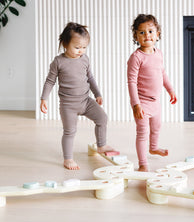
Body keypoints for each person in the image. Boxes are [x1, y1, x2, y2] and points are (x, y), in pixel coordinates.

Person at [40, 22, 114, 170]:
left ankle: (101, 145)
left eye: (84, 47)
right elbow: (50, 81)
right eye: (77, 47)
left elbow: (90, 78)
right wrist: (44, 98)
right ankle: (68, 159)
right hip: (69, 106)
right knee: (69, 131)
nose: (81, 51)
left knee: (102, 118)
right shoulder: (58, 62)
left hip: (85, 101)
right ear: (65, 44)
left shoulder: (85, 59)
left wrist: (98, 94)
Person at [127, 14, 177, 172]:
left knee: (156, 127)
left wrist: (171, 90)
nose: (146, 35)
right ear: (136, 36)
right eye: (141, 32)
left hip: (155, 101)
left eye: (150, 31)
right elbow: (131, 82)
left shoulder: (159, 53)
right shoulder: (136, 58)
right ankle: (143, 164)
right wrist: (136, 104)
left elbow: (162, 74)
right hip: (141, 102)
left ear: (158, 34)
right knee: (143, 132)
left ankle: (153, 147)